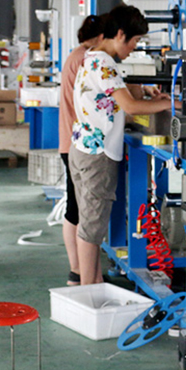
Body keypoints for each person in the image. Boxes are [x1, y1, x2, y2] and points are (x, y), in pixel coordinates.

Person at [69, 5, 174, 286]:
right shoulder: (105, 63)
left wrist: (148, 94)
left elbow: (113, 98)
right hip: (98, 155)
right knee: (91, 230)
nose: (134, 47)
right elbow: (130, 106)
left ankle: (92, 283)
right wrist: (169, 104)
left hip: (82, 147)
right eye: (135, 40)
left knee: (88, 225)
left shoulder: (91, 58)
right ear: (120, 34)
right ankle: (88, 291)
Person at [59, 15, 104, 286]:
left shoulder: (76, 56)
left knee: (76, 208)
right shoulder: (84, 59)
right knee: (78, 212)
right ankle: (78, 273)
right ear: (100, 37)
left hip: (71, 139)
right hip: (77, 142)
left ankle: (81, 272)